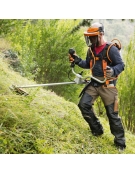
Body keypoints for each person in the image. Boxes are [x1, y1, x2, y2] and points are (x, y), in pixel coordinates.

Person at [68, 22, 126, 151]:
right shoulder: (91, 49)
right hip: (94, 82)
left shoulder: (111, 49)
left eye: (93, 36)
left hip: (107, 85)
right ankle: (97, 129)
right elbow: (88, 64)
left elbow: (121, 65)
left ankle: (120, 143)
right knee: (83, 105)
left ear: (101, 34)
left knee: (112, 114)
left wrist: (113, 71)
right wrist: (77, 60)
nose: (91, 39)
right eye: (90, 37)